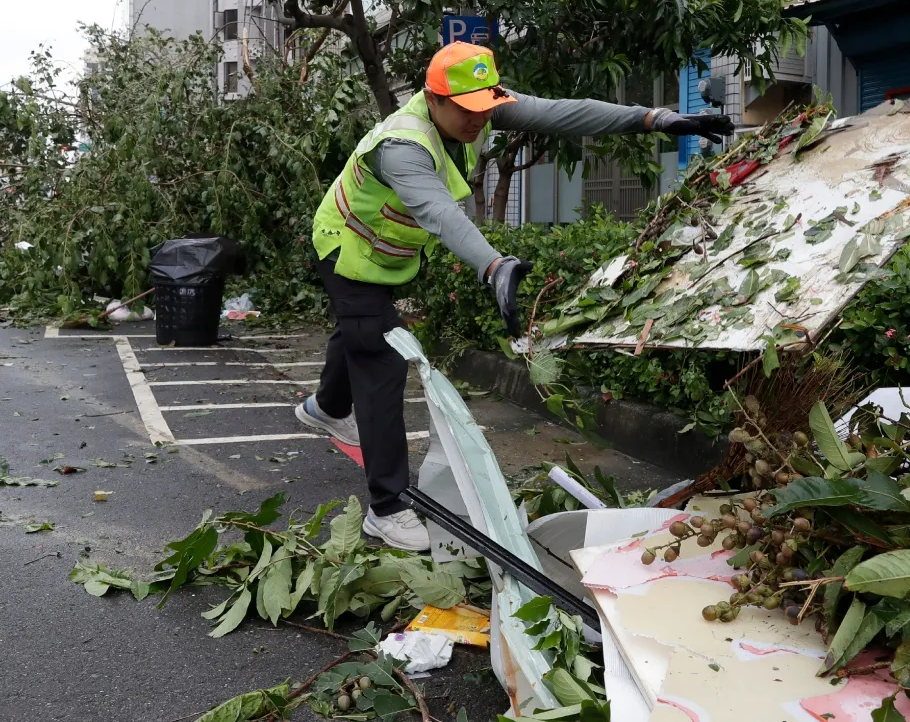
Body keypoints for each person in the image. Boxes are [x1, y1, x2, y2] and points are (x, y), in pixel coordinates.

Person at [296, 41, 733, 550]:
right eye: (464, 110)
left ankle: (327, 406)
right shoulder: (403, 146)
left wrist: (654, 119)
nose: (477, 121)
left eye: (484, 109)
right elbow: (440, 213)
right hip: (346, 246)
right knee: (381, 357)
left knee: (358, 332)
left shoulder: (475, 107)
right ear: (433, 98)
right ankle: (388, 507)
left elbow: (562, 114)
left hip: (385, 253)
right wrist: (494, 265)